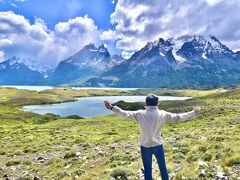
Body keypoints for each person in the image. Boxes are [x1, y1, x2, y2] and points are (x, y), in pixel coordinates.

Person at [104, 93, 201, 180]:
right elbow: (179, 117)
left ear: (146, 104)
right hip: (158, 145)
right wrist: (193, 112)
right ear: (156, 104)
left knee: (148, 170)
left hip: (145, 146)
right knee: (163, 168)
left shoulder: (140, 114)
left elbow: (124, 113)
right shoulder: (163, 114)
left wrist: (111, 107)